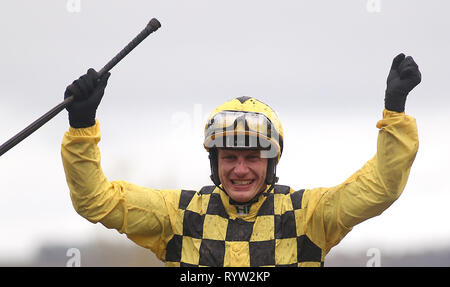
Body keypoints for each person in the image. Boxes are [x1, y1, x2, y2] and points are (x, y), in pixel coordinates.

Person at [61, 53, 421, 267]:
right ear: (214, 163)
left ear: (272, 162)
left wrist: (395, 111)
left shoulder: (309, 214)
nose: (240, 169)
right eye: (229, 157)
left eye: (252, 158)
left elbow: (381, 188)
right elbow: (96, 202)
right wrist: (81, 126)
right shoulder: (177, 215)